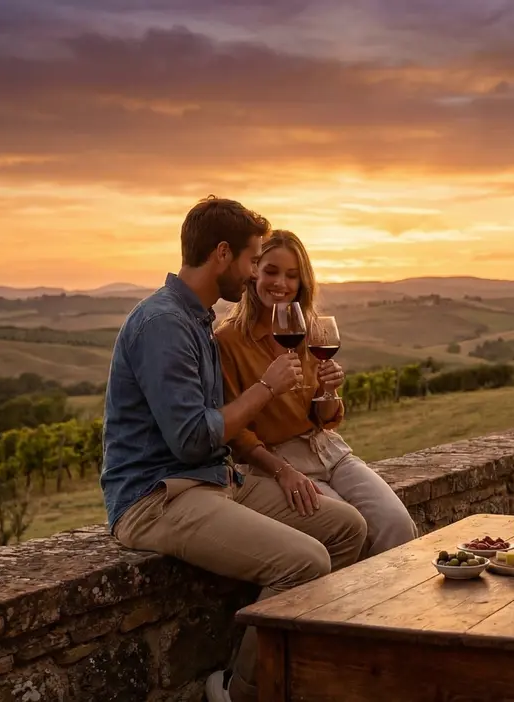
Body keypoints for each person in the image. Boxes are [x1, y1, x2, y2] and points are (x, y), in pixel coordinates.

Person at [100, 198, 368, 702]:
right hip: (156, 497)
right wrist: (265, 390)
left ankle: (296, 674)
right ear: (222, 253)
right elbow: (191, 437)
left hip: (212, 482)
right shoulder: (164, 325)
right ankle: (240, 691)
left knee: (346, 527)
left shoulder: (194, 317)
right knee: (306, 561)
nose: (251, 276)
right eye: (250, 261)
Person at [215, 230, 418, 558]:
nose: (281, 283)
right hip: (276, 460)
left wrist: (328, 390)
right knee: (354, 534)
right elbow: (235, 432)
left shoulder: (309, 329)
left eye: (292, 276)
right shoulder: (229, 341)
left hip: (327, 451)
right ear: (254, 273)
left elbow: (324, 420)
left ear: (302, 282)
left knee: (398, 526)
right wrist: (282, 472)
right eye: (271, 271)